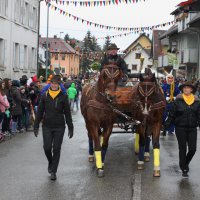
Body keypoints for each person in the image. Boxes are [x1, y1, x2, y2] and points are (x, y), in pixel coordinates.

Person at [34, 75, 74, 181]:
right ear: (50, 84)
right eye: (52, 83)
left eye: (56, 83)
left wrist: (71, 127)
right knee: (47, 148)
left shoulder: (63, 96)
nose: (54, 85)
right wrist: (36, 125)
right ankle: (51, 162)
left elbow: (67, 113)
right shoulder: (45, 96)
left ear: (59, 84)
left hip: (59, 126)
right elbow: (40, 112)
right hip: (47, 125)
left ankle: (54, 171)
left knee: (56, 148)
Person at [164, 81, 200, 178]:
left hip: (192, 128)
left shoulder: (196, 101)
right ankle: (184, 168)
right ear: (182, 90)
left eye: (188, 88)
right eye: (184, 88)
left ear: (191, 90)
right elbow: (172, 114)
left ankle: (185, 162)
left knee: (193, 149)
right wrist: (166, 125)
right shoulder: (177, 101)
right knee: (182, 148)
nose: (186, 89)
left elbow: (199, 115)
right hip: (180, 128)